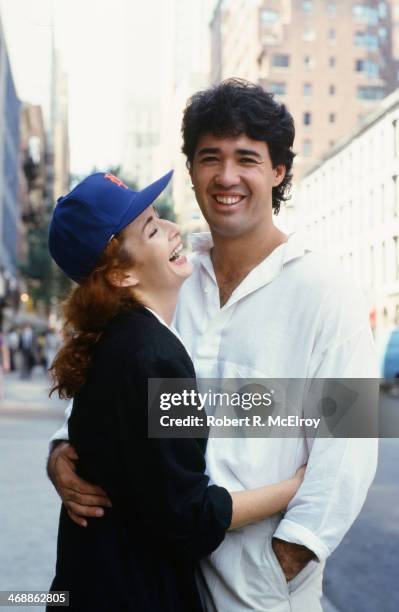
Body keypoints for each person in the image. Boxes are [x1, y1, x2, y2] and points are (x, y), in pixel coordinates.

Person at [47, 80, 378, 612]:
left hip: (258, 591)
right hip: (163, 580)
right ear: (193, 171)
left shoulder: (326, 290)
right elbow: (114, 387)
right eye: (210, 158)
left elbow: (349, 449)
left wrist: (285, 559)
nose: (226, 177)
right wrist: (63, 452)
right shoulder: (173, 276)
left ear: (278, 172)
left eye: (246, 158)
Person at [46, 170, 306, 611]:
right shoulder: (155, 355)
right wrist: (295, 487)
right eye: (151, 228)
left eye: (160, 217)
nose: (171, 228)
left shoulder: (114, 339)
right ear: (120, 276)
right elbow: (187, 517)